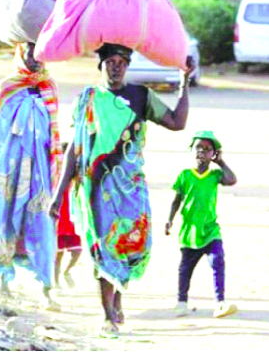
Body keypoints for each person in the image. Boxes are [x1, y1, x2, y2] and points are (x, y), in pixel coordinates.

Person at [49, 43, 195, 335]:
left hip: (131, 187)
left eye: (122, 62)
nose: (116, 67)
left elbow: (177, 123)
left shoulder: (141, 96)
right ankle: (107, 316)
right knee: (104, 249)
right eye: (110, 61)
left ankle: (116, 298)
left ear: (127, 66)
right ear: (100, 65)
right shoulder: (88, 99)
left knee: (130, 244)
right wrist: (59, 193)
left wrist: (184, 82)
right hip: (96, 189)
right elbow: (74, 150)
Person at [0, 42, 62, 311]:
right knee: (3, 218)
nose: (34, 57)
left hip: (40, 169)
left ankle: (46, 288)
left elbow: (54, 132)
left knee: (42, 224)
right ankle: (1, 281)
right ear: (20, 53)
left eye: (39, 52)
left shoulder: (49, 87)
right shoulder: (7, 88)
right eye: (29, 51)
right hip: (10, 167)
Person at [165, 130, 238, 318]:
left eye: (207, 149)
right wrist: (169, 219)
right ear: (191, 150)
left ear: (213, 154)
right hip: (190, 232)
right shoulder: (185, 175)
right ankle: (181, 302)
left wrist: (221, 162)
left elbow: (232, 180)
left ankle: (220, 303)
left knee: (217, 261)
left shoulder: (215, 176)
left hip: (210, 230)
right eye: (198, 147)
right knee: (185, 268)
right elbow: (176, 199)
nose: (202, 152)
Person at [54, 142, 82, 289]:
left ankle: (67, 271)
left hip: (72, 222)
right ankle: (56, 280)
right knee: (58, 255)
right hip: (61, 222)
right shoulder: (58, 179)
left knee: (77, 251)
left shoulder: (77, 178)